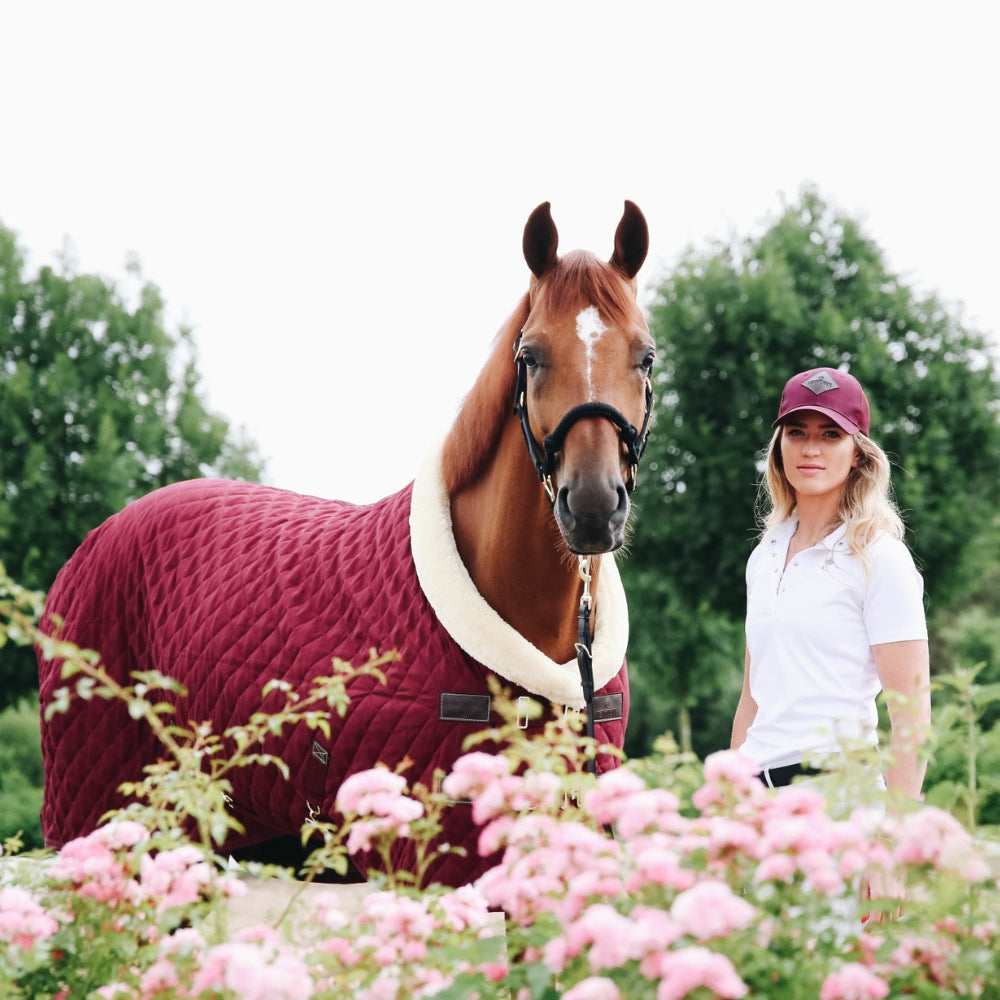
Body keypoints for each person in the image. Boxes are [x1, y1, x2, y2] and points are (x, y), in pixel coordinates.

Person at [730, 366, 931, 917]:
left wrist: (890, 844)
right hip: (758, 812)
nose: (811, 448)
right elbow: (752, 697)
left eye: (830, 434)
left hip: (838, 811)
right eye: (797, 432)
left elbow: (912, 718)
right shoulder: (764, 554)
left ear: (858, 454)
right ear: (778, 447)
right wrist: (729, 806)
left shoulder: (880, 559)